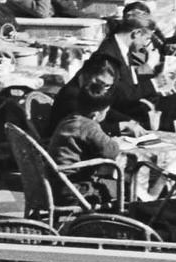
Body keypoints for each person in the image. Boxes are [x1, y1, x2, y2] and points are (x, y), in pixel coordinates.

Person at [46, 58, 123, 208]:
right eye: (105, 112)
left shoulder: (71, 119)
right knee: (121, 187)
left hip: (54, 184)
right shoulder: (89, 127)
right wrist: (115, 142)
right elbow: (111, 151)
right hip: (74, 189)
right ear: (96, 115)